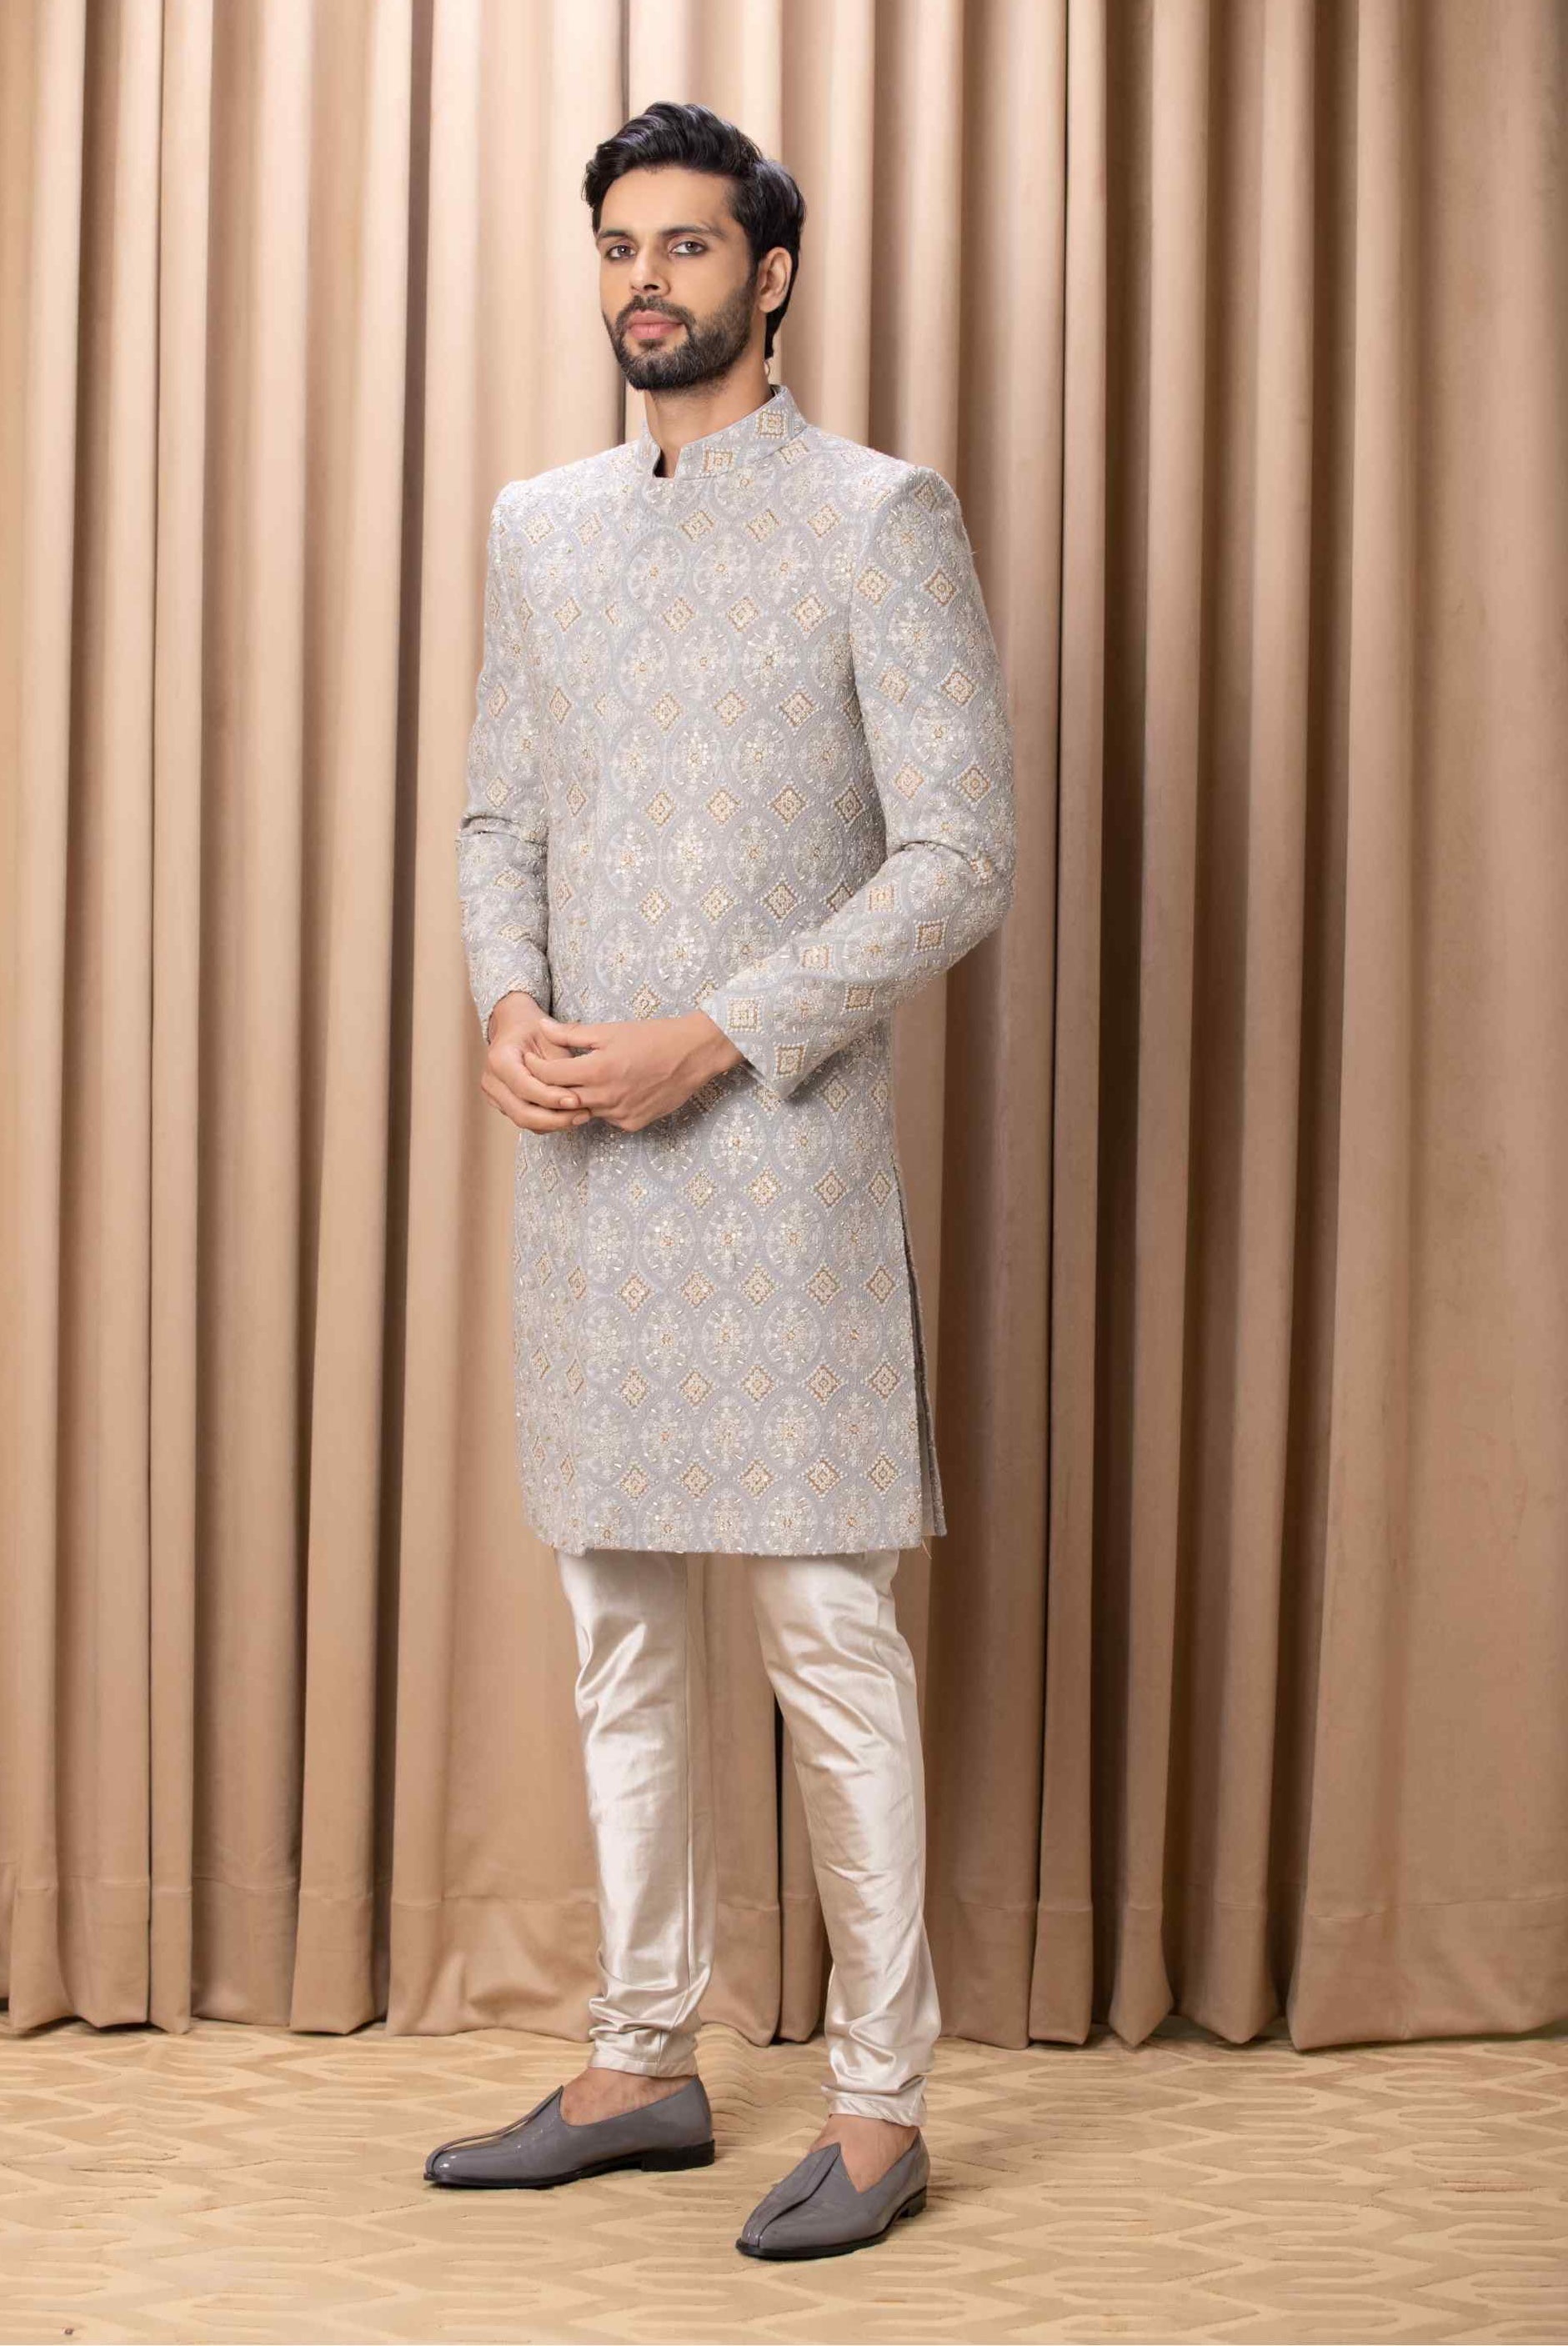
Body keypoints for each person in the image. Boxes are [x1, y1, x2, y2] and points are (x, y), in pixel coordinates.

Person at [426, 98, 1015, 2261]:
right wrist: (509, 1001)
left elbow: (960, 853)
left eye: (684, 246)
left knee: (826, 1637)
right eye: (618, 247)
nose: (644, 282)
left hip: (774, 1154)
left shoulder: (878, 517)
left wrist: (723, 1029)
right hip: (589, 1157)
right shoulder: (542, 529)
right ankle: (640, 2057)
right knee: (617, 1633)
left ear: (767, 274)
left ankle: (878, 2104)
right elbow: (500, 817)